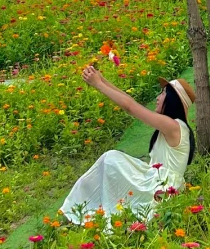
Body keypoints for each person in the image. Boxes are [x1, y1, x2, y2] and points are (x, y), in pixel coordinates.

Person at [58, 66, 195, 225]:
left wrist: (99, 85)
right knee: (110, 160)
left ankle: (77, 212)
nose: (158, 97)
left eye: (163, 93)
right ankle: (79, 212)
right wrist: (102, 80)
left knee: (111, 158)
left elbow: (131, 107)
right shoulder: (175, 127)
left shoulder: (173, 126)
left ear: (173, 100)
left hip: (160, 189)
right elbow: (131, 102)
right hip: (159, 185)